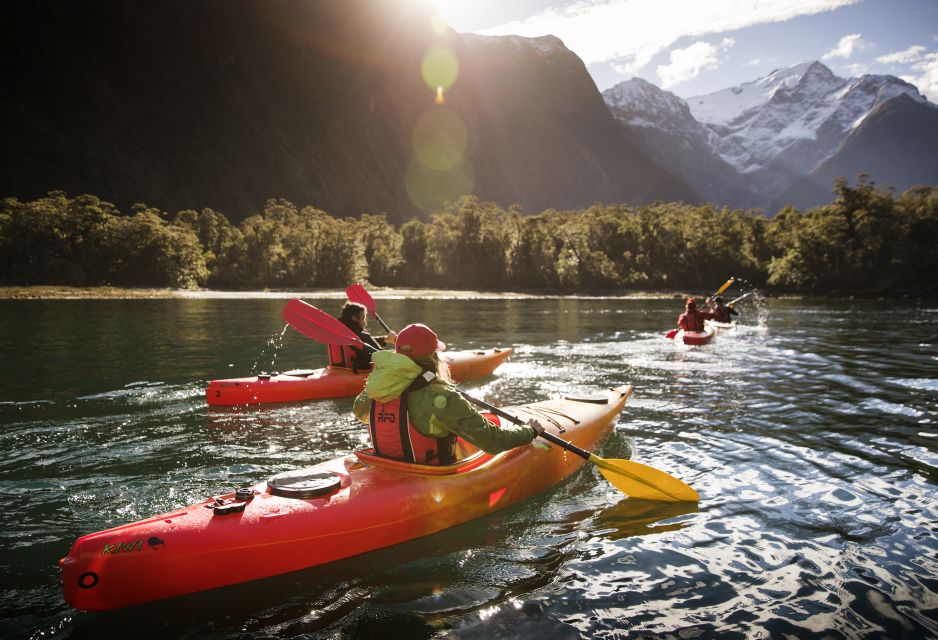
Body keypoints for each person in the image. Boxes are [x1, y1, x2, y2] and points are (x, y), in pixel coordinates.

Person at [353, 323, 544, 465]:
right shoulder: (442, 396)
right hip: (429, 478)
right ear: (433, 356)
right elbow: (493, 442)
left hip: (388, 466)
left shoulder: (376, 388)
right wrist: (529, 431)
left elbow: (360, 413)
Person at [329, 301, 397, 373]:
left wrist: (385, 339)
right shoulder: (361, 335)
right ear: (354, 318)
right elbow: (382, 355)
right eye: (363, 318)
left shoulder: (339, 333)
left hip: (337, 368)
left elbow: (363, 343)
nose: (365, 322)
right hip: (361, 370)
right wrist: (397, 350)